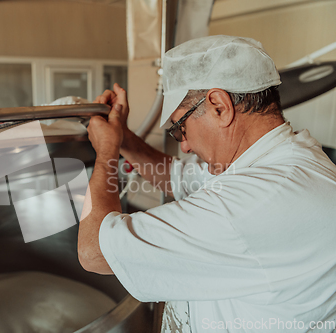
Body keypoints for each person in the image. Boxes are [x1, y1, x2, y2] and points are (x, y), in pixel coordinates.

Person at [78, 35, 336, 332]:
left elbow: (93, 251)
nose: (184, 146)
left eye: (180, 127)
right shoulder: (279, 159)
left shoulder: (257, 201)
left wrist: (106, 151)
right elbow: (174, 176)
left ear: (219, 106)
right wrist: (121, 135)